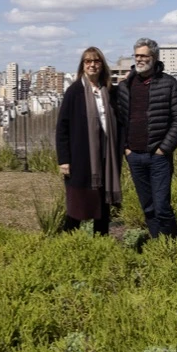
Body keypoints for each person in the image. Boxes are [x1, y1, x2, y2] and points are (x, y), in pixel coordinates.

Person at [115, 38, 177, 238]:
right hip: (135, 156)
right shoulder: (125, 86)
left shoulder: (168, 83)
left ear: (153, 58)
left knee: (162, 206)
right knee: (148, 207)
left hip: (158, 157)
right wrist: (126, 149)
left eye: (144, 55)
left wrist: (163, 149)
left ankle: (172, 245)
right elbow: (119, 121)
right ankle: (158, 246)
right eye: (137, 55)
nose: (139, 59)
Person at [55, 46, 122, 234]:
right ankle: (68, 245)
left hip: (106, 156)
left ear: (102, 65)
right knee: (77, 205)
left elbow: (120, 121)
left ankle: (101, 246)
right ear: (82, 66)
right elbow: (62, 128)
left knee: (102, 208)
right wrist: (64, 160)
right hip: (80, 158)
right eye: (88, 61)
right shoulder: (74, 92)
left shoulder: (109, 91)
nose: (92, 65)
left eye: (96, 61)